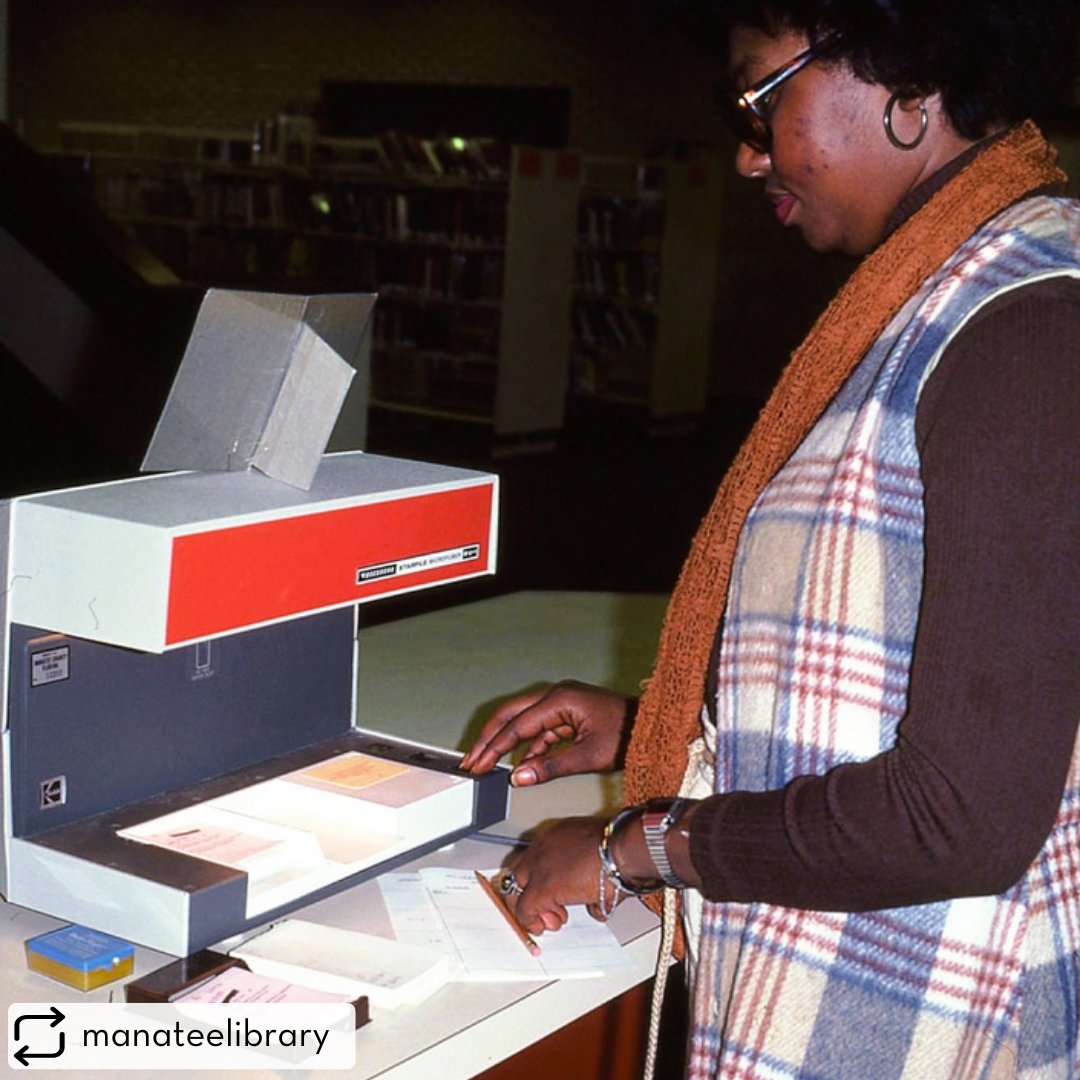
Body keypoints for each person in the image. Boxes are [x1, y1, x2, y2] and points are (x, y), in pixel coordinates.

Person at [461, 1, 1080, 1076]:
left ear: (909, 81)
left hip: (928, 1017)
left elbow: (959, 816)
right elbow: (900, 639)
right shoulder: (942, 295)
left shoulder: (1025, 326)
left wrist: (636, 845)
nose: (748, 156)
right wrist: (662, 722)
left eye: (759, 98)